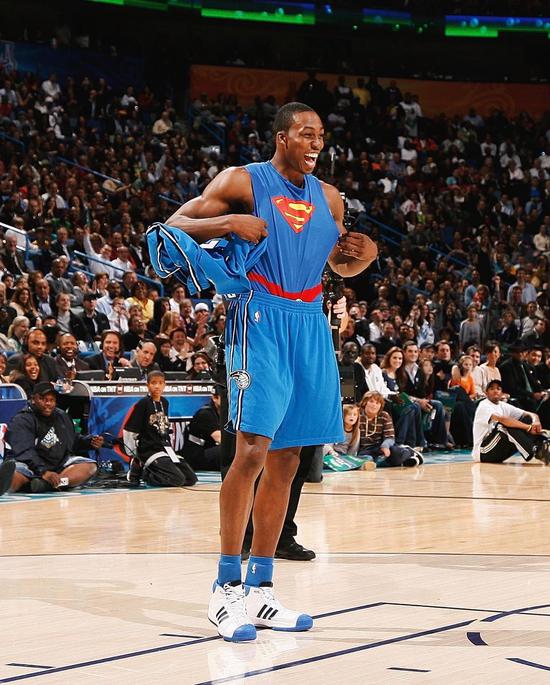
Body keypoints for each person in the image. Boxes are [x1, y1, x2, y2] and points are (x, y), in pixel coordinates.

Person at [148, 102, 377, 641]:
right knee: (251, 450)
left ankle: (261, 588)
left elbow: (335, 263)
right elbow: (171, 227)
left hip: (310, 320)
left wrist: (361, 257)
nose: (315, 143)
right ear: (281, 138)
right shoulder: (242, 181)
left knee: (288, 459)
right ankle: (225, 588)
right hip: (259, 316)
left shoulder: (330, 198)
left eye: (320, 135)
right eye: (305, 133)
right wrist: (228, 222)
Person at [5, 382, 104, 493]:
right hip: (29, 466)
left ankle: (51, 484)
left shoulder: (62, 416)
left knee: (90, 466)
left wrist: (89, 442)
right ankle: (32, 484)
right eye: (43, 399)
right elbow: (25, 451)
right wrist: (43, 472)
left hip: (58, 465)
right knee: (13, 476)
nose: (48, 403)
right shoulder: (21, 420)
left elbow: (72, 440)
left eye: (52, 400)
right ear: (33, 399)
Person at [122, 371, 197, 487]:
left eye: (160, 383)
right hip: (149, 450)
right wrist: (134, 455)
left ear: (164, 385)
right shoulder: (143, 403)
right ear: (147, 385)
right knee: (178, 480)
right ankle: (147, 475)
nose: (157, 386)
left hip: (165, 449)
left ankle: (156, 471)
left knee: (191, 479)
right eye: (153, 383)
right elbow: (130, 429)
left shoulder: (164, 402)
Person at [472, 380, 550, 464]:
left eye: (498, 389)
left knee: (527, 419)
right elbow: (502, 419)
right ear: (486, 393)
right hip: (483, 452)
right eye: (492, 389)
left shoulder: (503, 405)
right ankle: (536, 451)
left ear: (502, 393)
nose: (495, 391)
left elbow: (530, 414)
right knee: (503, 425)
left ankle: (542, 445)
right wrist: (528, 427)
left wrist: (535, 422)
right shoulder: (484, 405)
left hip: (498, 450)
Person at [357, 391, 423, 468]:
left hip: (382, 447)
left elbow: (390, 437)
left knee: (397, 454)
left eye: (377, 403)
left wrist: (385, 446)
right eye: (371, 401)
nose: (374, 405)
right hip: (365, 450)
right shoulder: (357, 414)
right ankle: (399, 461)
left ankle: (409, 452)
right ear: (365, 402)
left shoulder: (384, 416)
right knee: (366, 459)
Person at [181, 384, 222, 470]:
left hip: (208, 451)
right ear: (214, 398)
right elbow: (220, 439)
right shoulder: (205, 414)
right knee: (227, 450)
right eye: (225, 398)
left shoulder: (224, 414)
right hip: (195, 457)